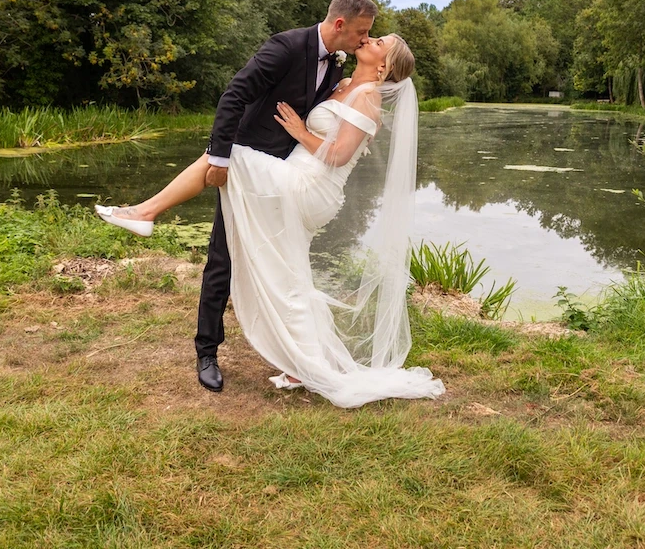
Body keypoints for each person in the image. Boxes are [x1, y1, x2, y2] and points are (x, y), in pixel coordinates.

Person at [97, 22, 444, 407]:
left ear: (384, 67)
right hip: (298, 177)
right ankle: (302, 364)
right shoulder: (342, 82)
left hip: (311, 186)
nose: (369, 39)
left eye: (379, 41)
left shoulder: (368, 97)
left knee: (229, 154)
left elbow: (339, 155)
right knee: (290, 274)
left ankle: (146, 211)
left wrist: (298, 130)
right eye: (370, 33)